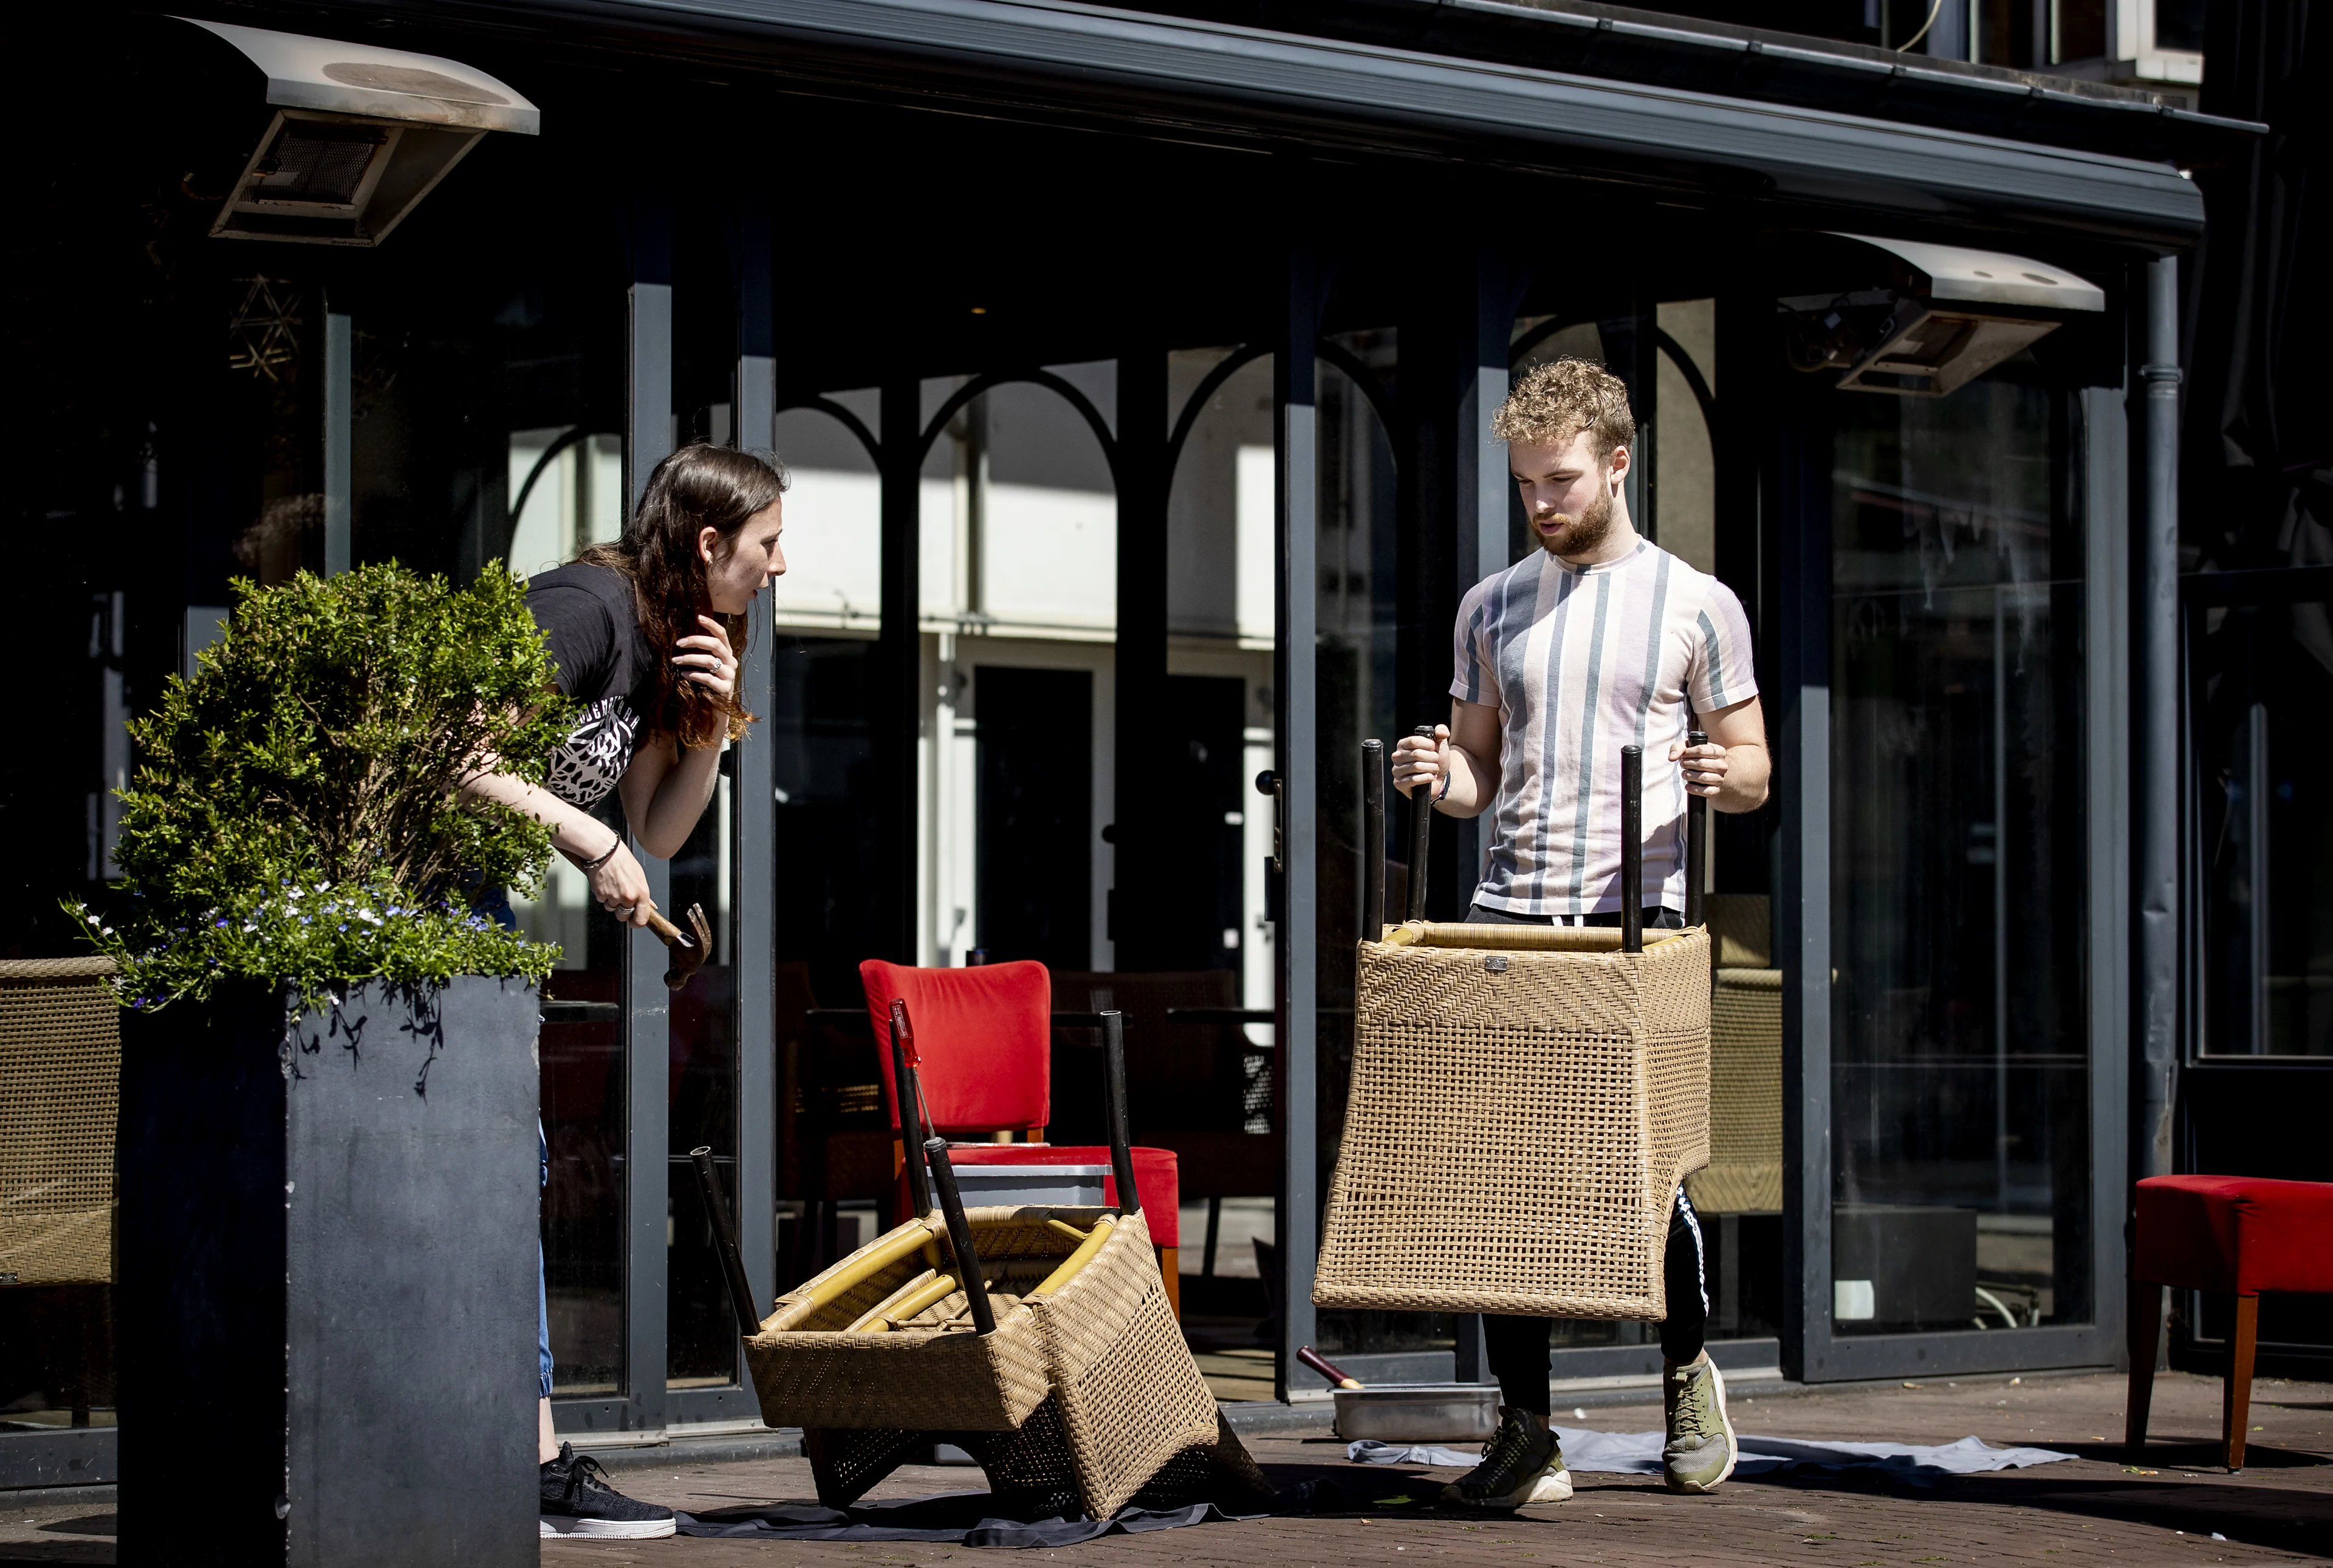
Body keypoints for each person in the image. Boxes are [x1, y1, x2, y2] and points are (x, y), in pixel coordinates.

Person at [1391, 358, 1769, 1511]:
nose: (1541, 503)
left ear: (1618, 463)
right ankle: (1530, 1434)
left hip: (1635, 924)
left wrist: (1724, 777)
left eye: (1559, 480)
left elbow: (1753, 766)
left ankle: (1687, 1377)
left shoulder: (1697, 604)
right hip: (1507, 920)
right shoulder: (1490, 605)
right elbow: (1477, 774)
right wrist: (1436, 774)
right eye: (1524, 484)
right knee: (1506, 1184)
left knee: (1645, 1174)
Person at [464, 442, 789, 1539]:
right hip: (410, 895)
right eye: (767, 544)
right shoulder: (586, 608)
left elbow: (658, 830)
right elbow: (457, 753)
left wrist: (715, 728)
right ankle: (522, 1461)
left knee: (506, 1169)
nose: (779, 567)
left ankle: (527, 1458)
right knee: (498, 1167)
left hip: (467, 901)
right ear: (710, 541)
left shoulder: (660, 643)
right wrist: (588, 839)